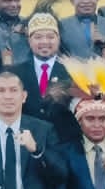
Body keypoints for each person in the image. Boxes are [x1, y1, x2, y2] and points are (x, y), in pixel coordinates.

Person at [13, 9, 74, 140]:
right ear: (29, 41)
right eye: (38, 37)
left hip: (63, 141)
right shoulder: (15, 73)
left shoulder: (73, 72)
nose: (45, 42)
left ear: (59, 39)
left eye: (50, 37)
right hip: (25, 140)